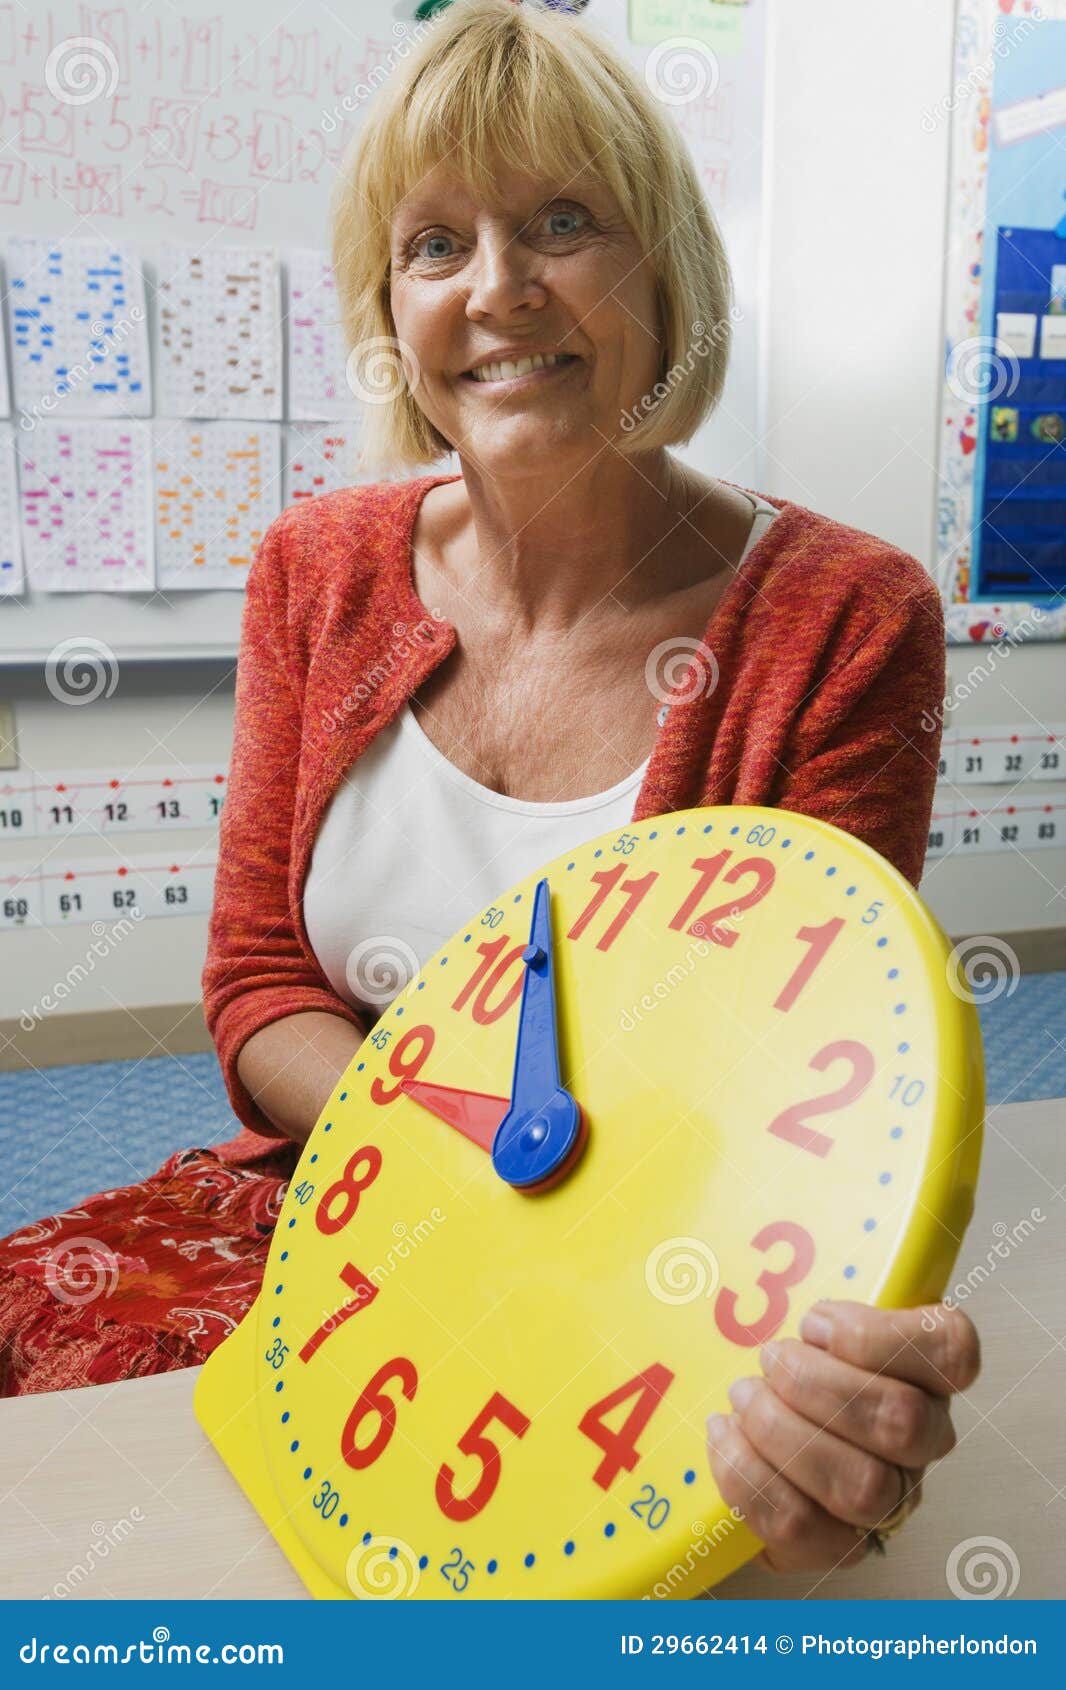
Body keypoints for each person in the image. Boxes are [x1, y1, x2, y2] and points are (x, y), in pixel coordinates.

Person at [0, 0, 978, 1577]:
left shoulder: (844, 618)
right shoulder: (313, 571)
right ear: (390, 304)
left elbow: (800, 1078)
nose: (497, 291)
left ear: (663, 269)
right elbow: (256, 978)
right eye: (435, 243)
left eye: (563, 224)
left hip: (652, 1267)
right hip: (331, 1211)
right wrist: (451, 1147)